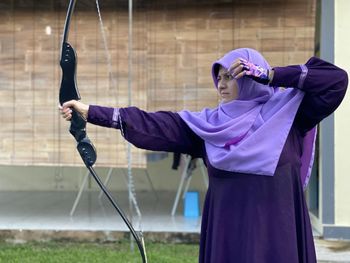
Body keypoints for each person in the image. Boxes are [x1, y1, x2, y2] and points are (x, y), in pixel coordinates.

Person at [60, 48, 348, 263]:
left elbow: (335, 80)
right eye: (218, 77)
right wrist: (91, 112)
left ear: (251, 78)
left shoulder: (289, 114)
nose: (221, 84)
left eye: (230, 77)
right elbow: (155, 124)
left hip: (277, 233)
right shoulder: (210, 126)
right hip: (227, 234)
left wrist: (273, 75)